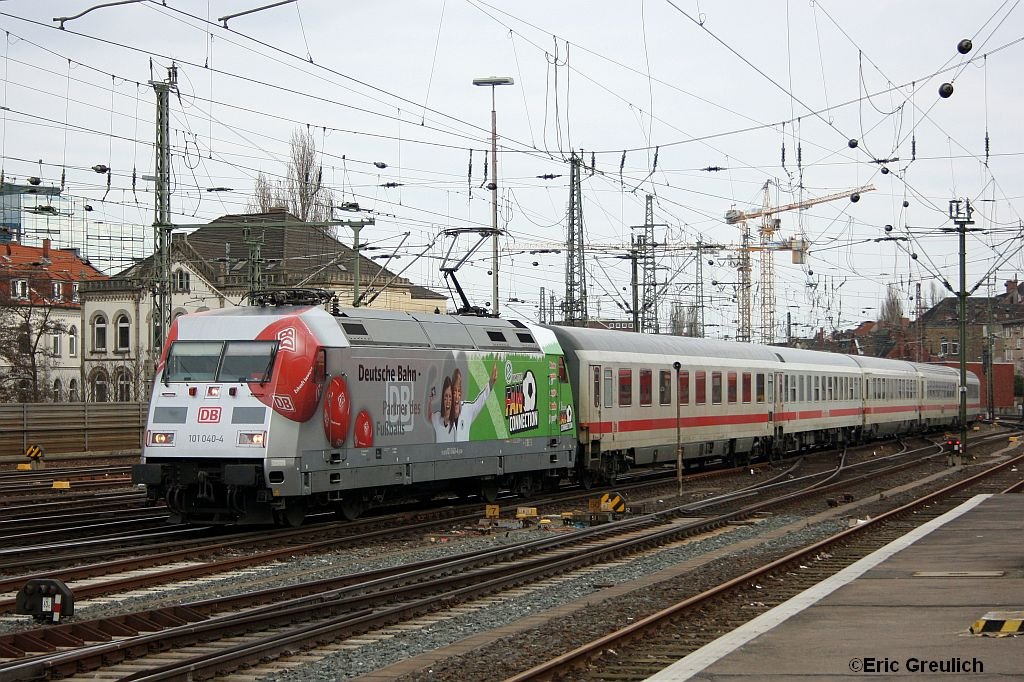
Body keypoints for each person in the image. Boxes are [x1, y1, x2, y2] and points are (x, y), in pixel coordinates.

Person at [450, 361, 498, 441]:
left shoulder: (467, 409)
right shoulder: (445, 413)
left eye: (459, 391)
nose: (456, 396)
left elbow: (480, 401)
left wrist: (491, 383)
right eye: (454, 391)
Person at [427, 376, 456, 442]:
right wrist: (430, 400)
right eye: (446, 396)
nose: (448, 401)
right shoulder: (437, 417)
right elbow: (430, 417)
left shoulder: (456, 421)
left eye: (450, 396)